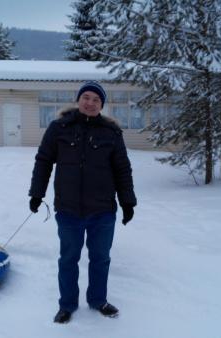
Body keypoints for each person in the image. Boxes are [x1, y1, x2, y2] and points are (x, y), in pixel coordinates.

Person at [29, 81, 137, 324]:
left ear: (101, 105)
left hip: (103, 211)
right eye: (86, 97)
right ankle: (67, 304)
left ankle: (98, 300)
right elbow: (44, 160)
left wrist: (127, 201)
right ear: (78, 100)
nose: (90, 102)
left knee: (100, 258)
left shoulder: (112, 133)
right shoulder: (59, 128)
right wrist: (37, 193)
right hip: (68, 210)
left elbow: (122, 169)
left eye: (96, 100)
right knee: (68, 258)